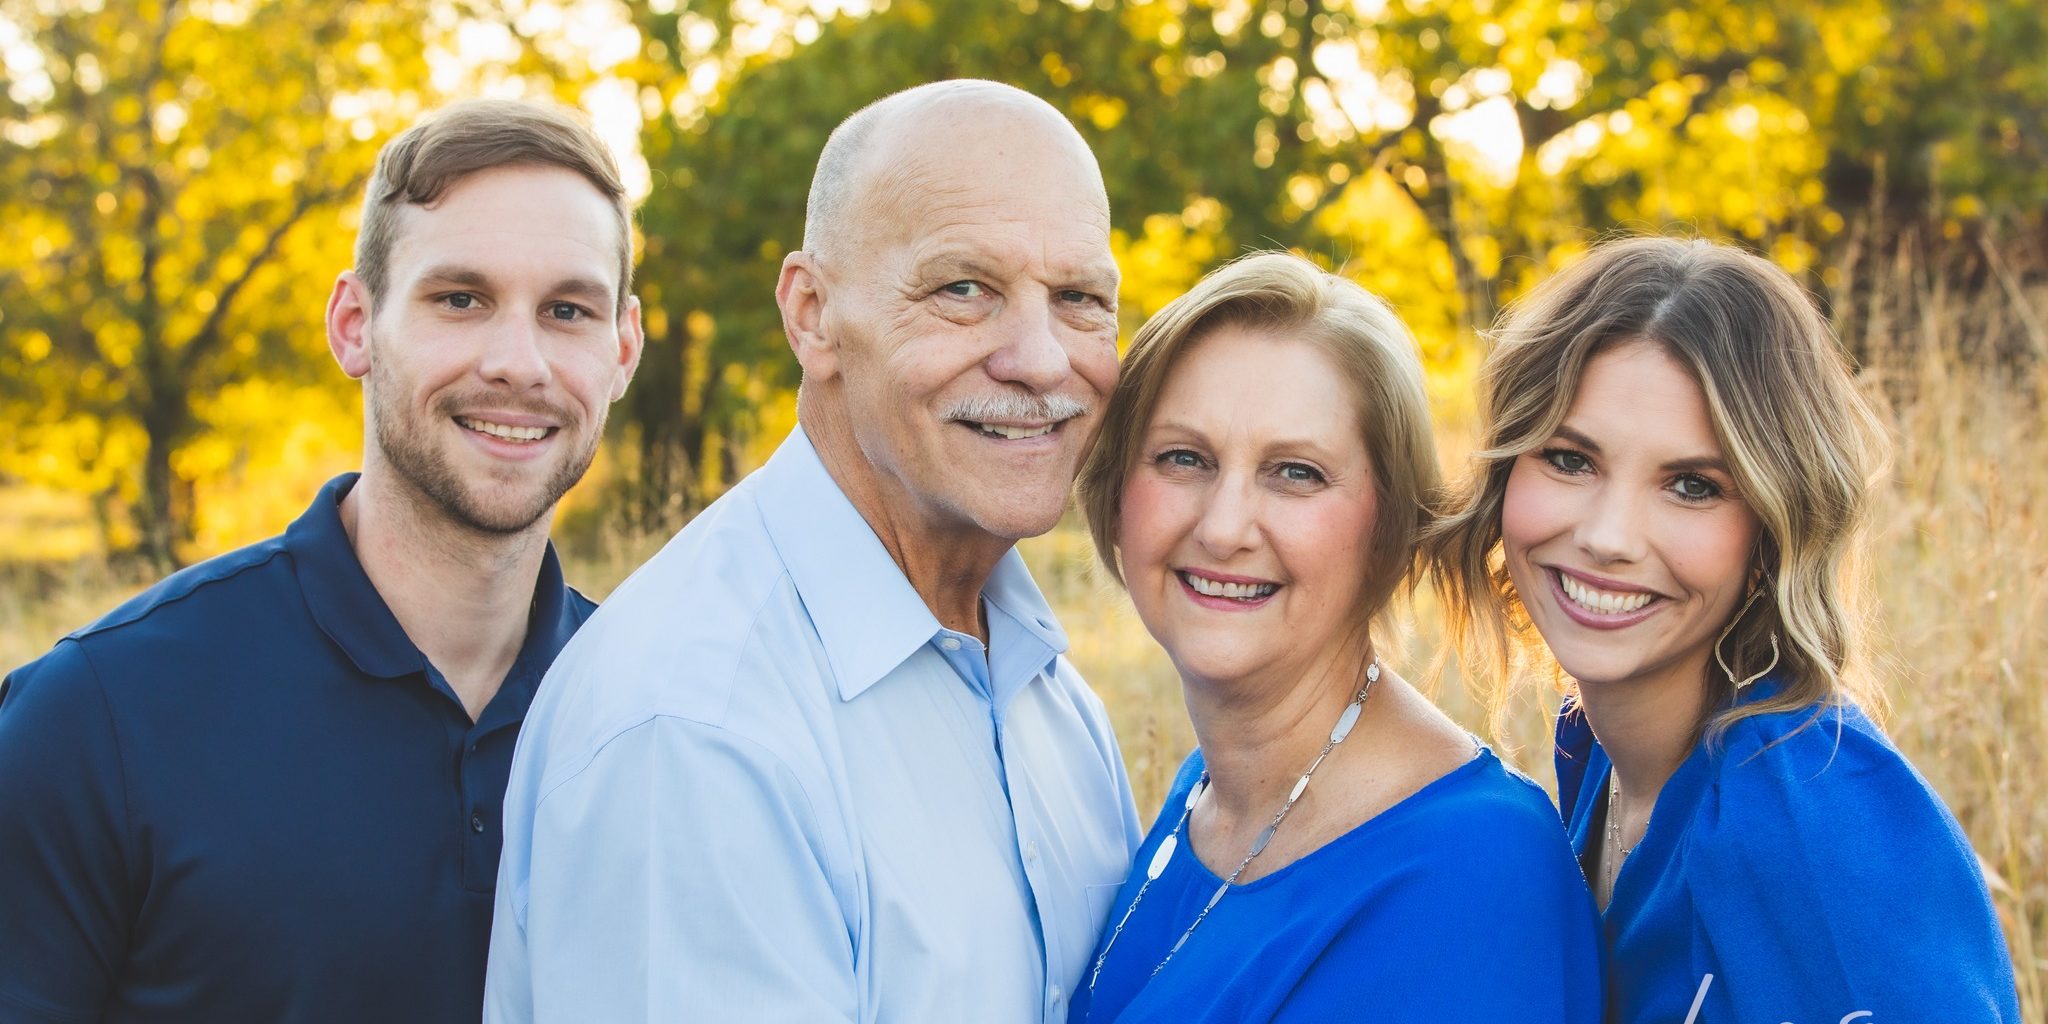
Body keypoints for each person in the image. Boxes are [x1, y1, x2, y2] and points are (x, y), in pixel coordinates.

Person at [484, 80, 1142, 1023]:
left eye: (1079, 298)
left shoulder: (1046, 692)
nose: (1040, 359)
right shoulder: (696, 729)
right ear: (812, 313)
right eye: (965, 290)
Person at [0, 98, 644, 1022]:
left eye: (567, 310)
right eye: (459, 298)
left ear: (621, 350)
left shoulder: (655, 711)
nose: (518, 362)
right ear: (354, 325)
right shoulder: (98, 716)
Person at [1428, 236, 2022, 1022]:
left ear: (1774, 529)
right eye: (1571, 459)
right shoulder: (1596, 749)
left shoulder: (1821, 819)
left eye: (1692, 485)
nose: (1609, 535)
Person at [1066, 252, 1602, 1023]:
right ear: (1117, 494)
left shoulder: (1472, 872)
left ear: (1390, 526)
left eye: (1296, 473)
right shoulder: (1208, 793)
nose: (1222, 528)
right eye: (1184, 458)